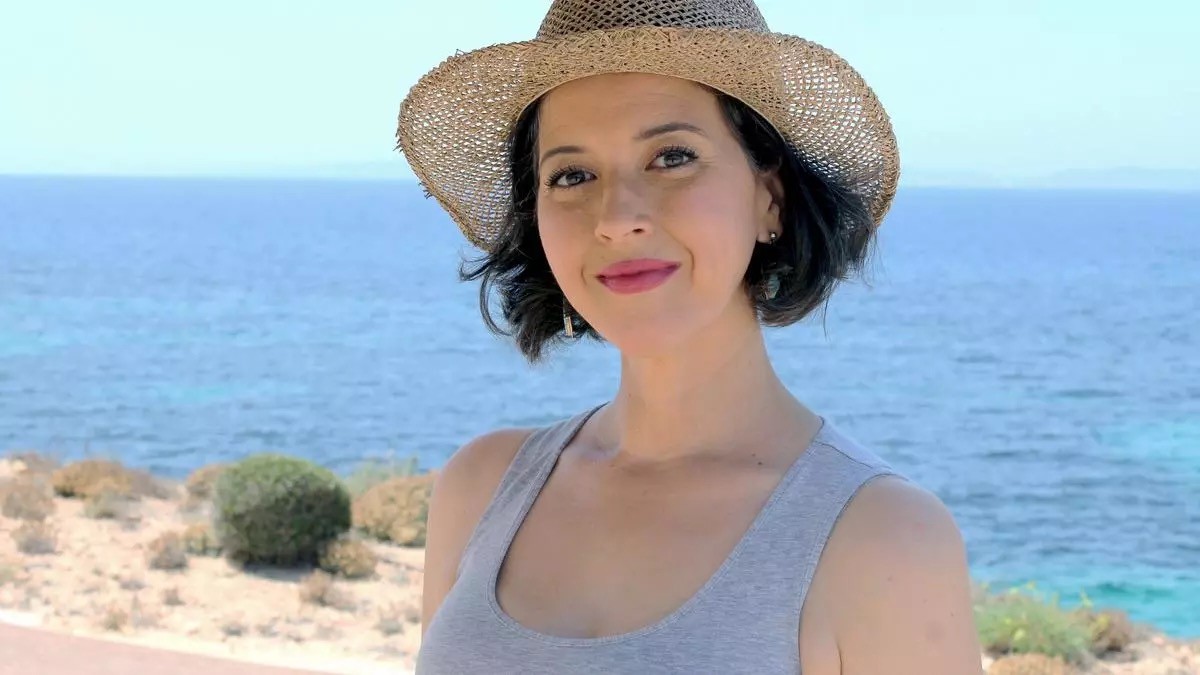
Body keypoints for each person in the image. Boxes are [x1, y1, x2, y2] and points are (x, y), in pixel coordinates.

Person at [396, 1, 983, 673]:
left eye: (672, 157)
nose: (616, 218)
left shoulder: (884, 540)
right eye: (571, 174)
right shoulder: (480, 488)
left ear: (770, 198)